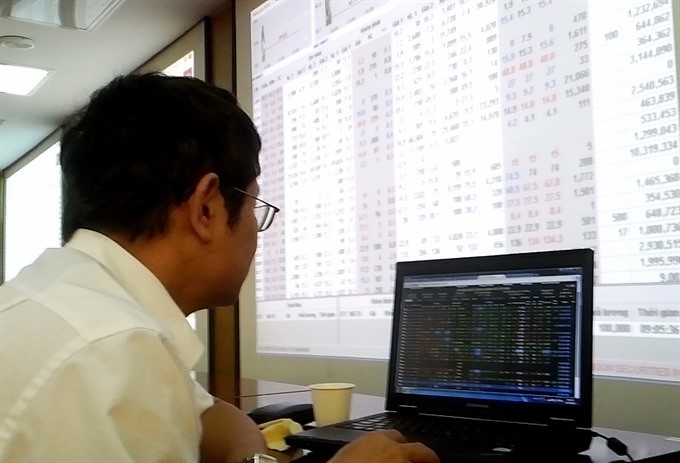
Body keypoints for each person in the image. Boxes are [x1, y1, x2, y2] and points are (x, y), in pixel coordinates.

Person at [0, 73, 439, 463]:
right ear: (207, 207)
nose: (255, 230)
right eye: (255, 207)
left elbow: (209, 417)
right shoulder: (112, 354)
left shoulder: (61, 295)